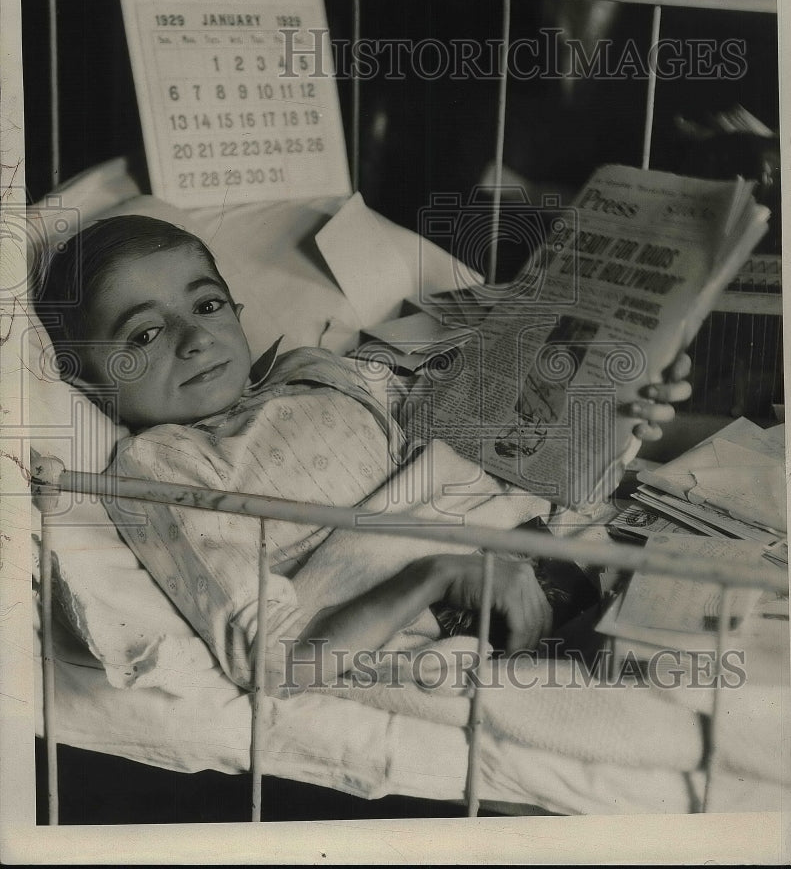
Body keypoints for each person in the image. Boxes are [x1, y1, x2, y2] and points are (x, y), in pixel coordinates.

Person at [34, 215, 691, 693]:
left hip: (560, 534)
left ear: (235, 310)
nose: (194, 338)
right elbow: (273, 663)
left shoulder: (316, 370)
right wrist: (438, 572)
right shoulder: (159, 466)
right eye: (145, 332)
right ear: (86, 381)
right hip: (453, 616)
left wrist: (614, 400)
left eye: (206, 304)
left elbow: (478, 428)